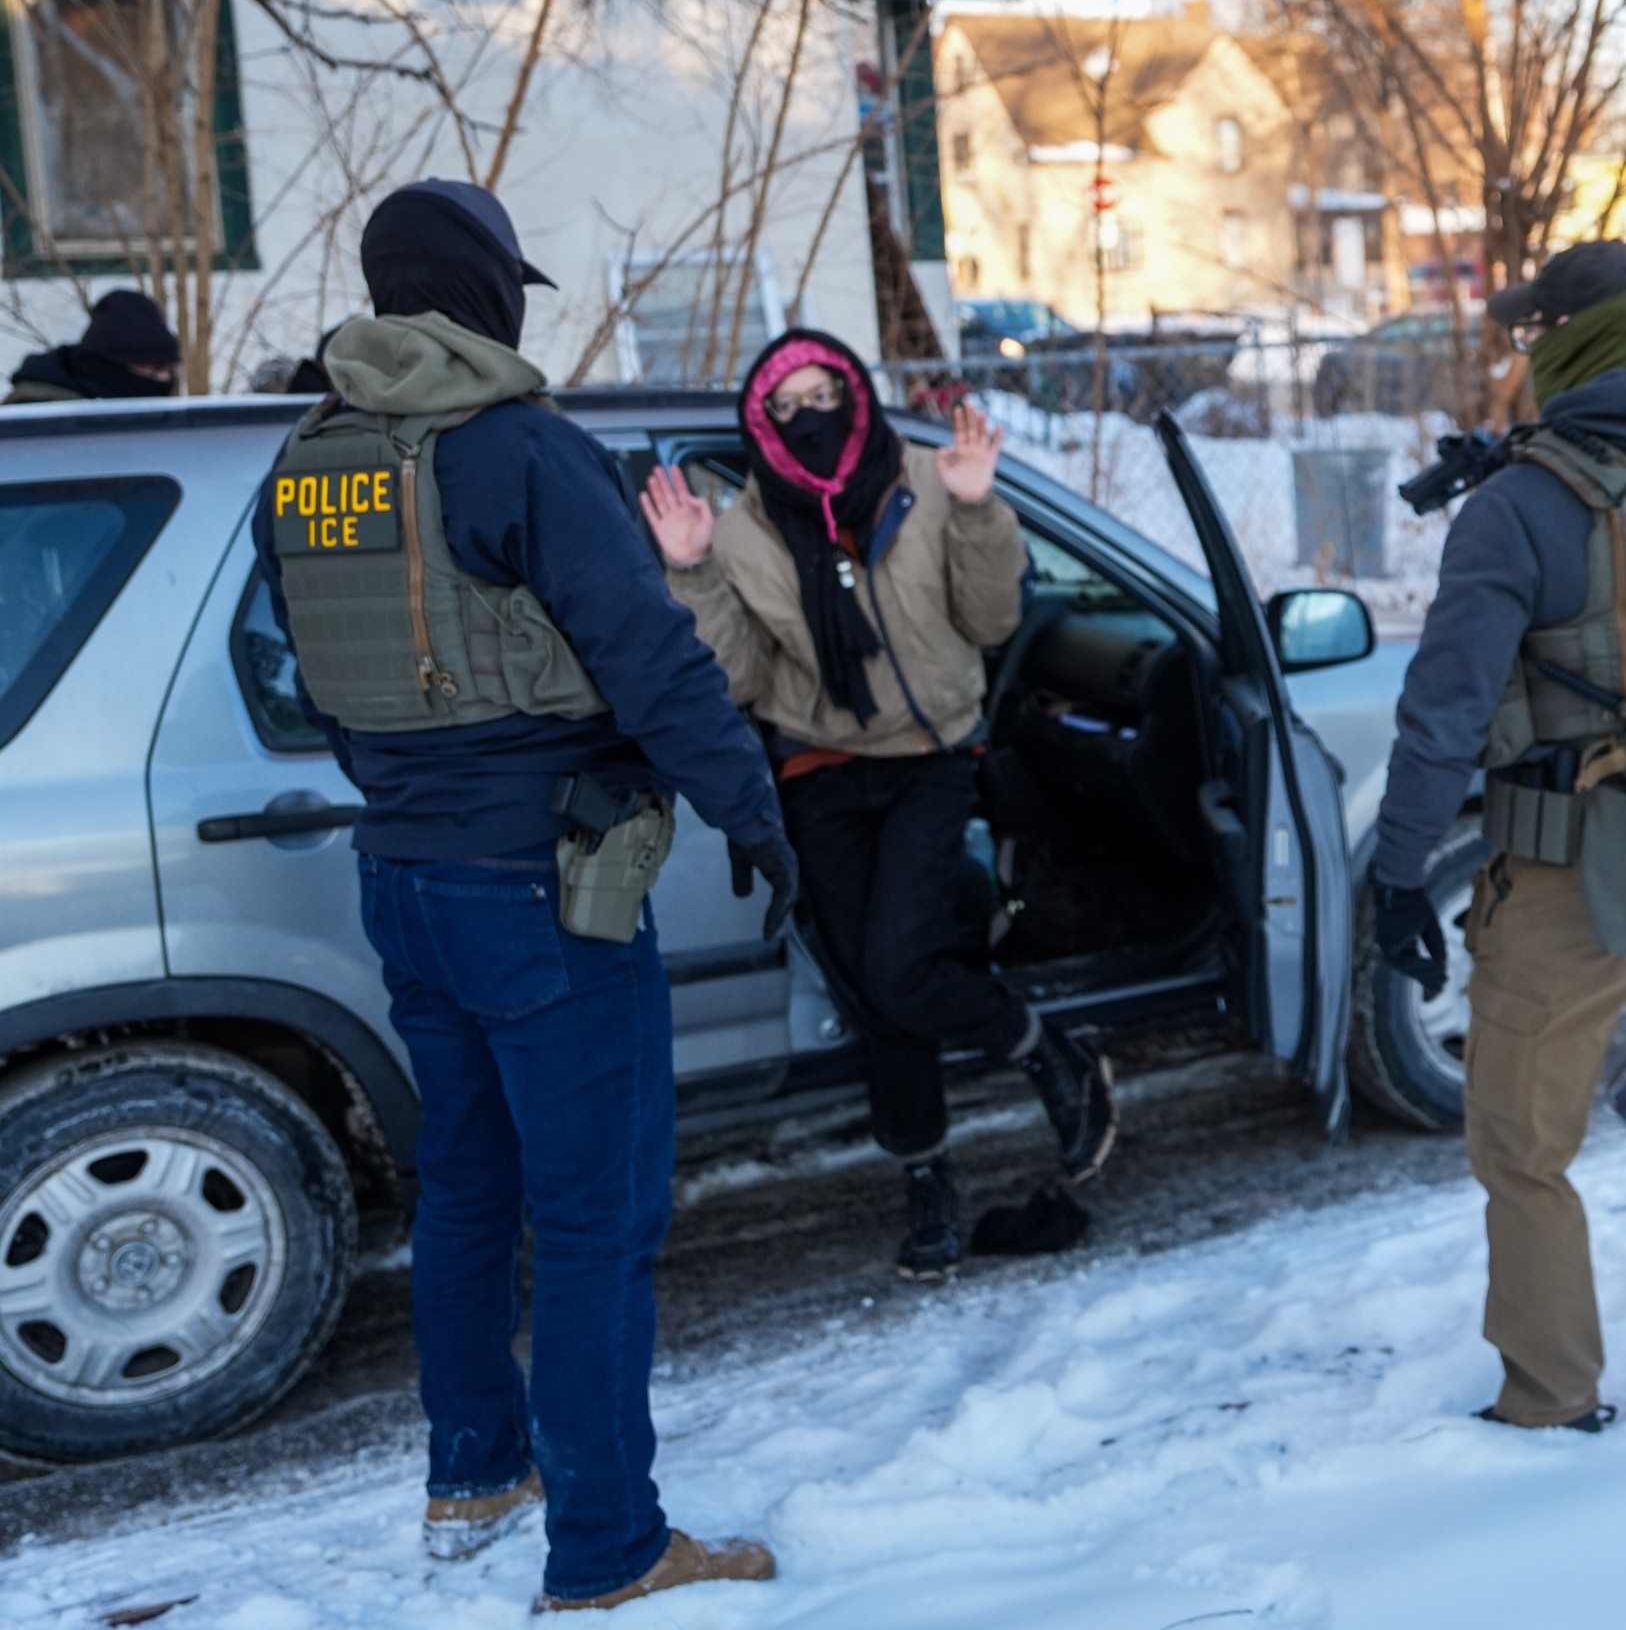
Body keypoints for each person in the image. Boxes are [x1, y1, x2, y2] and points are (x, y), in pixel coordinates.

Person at [256, 178, 793, 1612]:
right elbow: (651, 657)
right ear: (482, 290)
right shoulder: (525, 449)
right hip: (546, 888)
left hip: (403, 880)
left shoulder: (305, 460)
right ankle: (610, 1546)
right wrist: (752, 807)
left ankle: (476, 1471)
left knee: (468, 1195)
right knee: (598, 1220)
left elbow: (321, 674)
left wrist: (416, 790)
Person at [1367, 239, 1626, 1449]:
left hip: (1569, 873)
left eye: (1534, 330)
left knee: (1523, 1147)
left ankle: (1549, 1394)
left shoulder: (1522, 506)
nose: (1525, 351)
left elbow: (1442, 714)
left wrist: (1398, 871)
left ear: (1572, 339)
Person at [640, 329, 1115, 1282]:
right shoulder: (745, 531)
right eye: (786, 407)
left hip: (929, 759)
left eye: (824, 396)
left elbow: (992, 620)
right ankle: (928, 1178)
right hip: (820, 770)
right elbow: (738, 677)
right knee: (876, 992)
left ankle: (1043, 1050)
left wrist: (977, 509)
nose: (808, 419)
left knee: (901, 969)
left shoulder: (930, 483)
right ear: (762, 425)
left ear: (854, 397)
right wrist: (691, 572)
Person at [7, 288, 181, 401]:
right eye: (155, 368)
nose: (164, 379)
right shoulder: (37, 408)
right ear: (110, 366)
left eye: (169, 369)